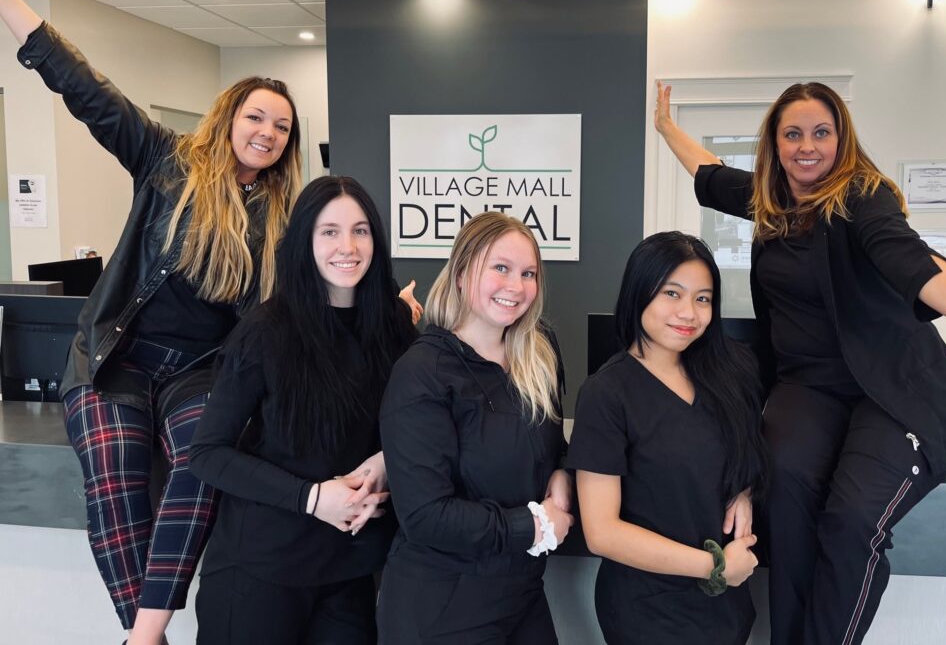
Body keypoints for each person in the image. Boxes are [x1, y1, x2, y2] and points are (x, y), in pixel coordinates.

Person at [0, 0, 423, 645]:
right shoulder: (165, 159)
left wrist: (382, 307)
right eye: (257, 116)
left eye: (282, 127)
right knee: (113, 488)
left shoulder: (284, 218)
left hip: (200, 367)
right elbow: (87, 90)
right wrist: (9, 2)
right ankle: (146, 633)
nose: (268, 132)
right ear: (229, 116)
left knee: (200, 468)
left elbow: (306, 305)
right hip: (118, 358)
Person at [654, 80, 946, 644]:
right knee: (786, 494)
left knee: (851, 521)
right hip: (810, 391)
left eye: (821, 132)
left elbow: (910, 260)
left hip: (894, 391)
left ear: (840, 139)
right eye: (792, 134)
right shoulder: (771, 202)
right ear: (775, 145)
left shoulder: (862, 196)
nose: (808, 146)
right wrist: (665, 127)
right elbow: (708, 175)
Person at [189, 175, 418, 644]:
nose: (347, 246)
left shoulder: (394, 326)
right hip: (260, 571)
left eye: (360, 230)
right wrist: (313, 498)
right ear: (304, 242)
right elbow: (207, 453)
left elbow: (420, 427)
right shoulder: (266, 330)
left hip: (348, 571)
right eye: (329, 231)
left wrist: (385, 463)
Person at [376, 212, 573, 644]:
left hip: (521, 591)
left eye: (528, 273)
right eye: (500, 268)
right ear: (463, 273)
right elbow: (426, 516)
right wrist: (535, 525)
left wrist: (561, 474)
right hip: (442, 604)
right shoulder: (422, 371)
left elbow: (551, 444)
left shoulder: (539, 354)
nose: (516, 286)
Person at [568, 231, 767, 645]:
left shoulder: (732, 371)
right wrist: (714, 566)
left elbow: (746, 448)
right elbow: (602, 532)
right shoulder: (607, 393)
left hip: (726, 610)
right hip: (649, 614)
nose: (688, 313)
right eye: (671, 294)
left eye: (702, 298)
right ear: (639, 292)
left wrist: (743, 488)